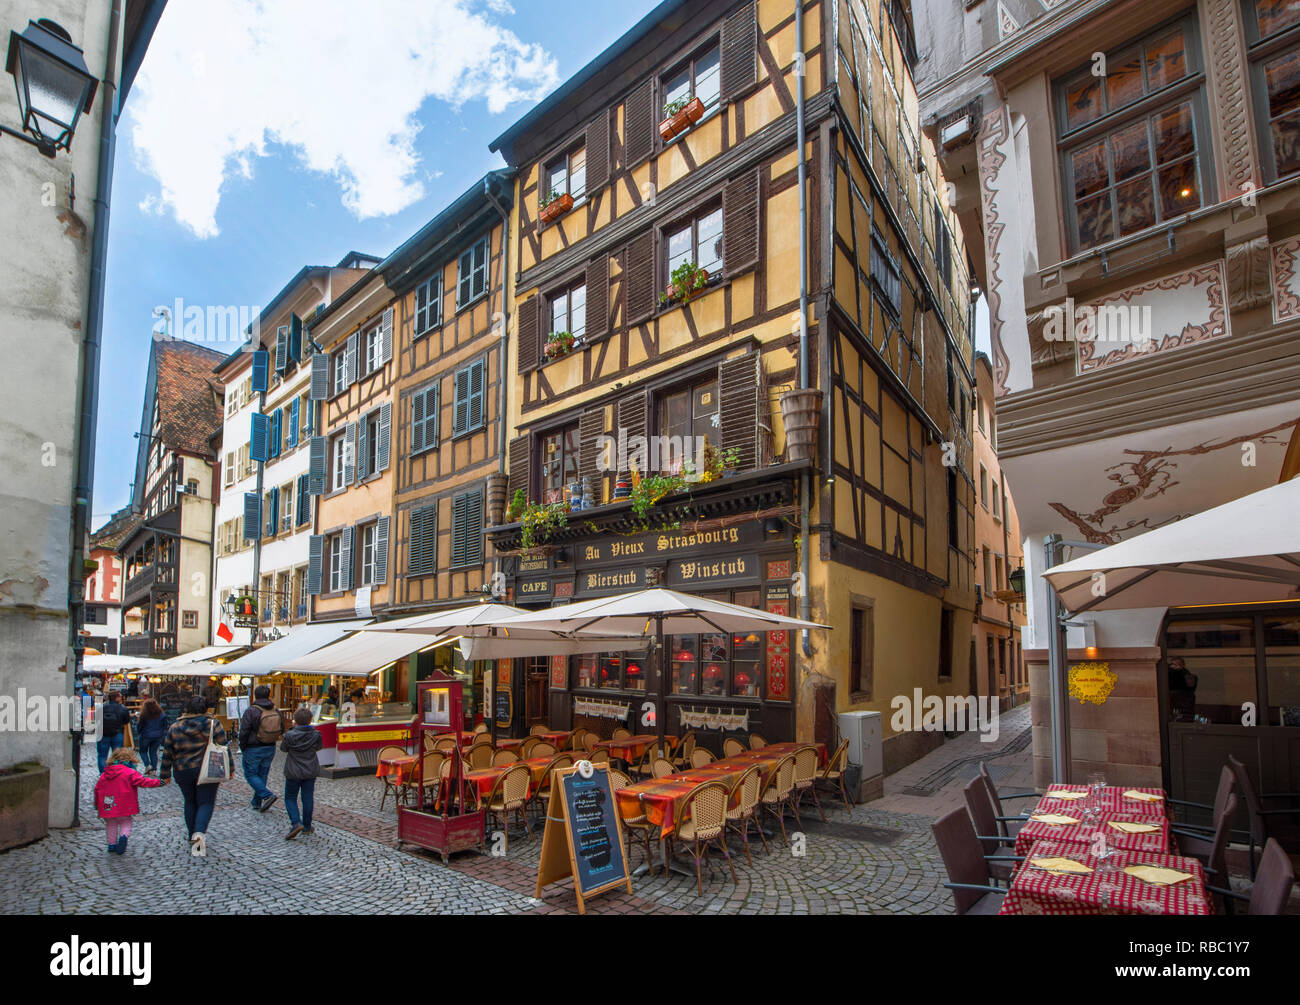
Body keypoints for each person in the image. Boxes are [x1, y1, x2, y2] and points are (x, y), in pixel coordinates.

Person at [161, 695, 227, 857]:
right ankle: (199, 833)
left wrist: (165, 774)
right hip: (208, 769)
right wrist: (229, 769)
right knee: (206, 802)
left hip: (183, 770)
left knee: (190, 801)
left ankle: (192, 834)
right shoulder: (213, 724)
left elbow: (168, 752)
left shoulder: (175, 726)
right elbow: (223, 747)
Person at [94, 747, 166, 854]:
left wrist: (97, 804)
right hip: (124, 805)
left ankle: (112, 845)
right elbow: (143, 781)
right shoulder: (130, 772)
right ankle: (123, 837)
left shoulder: (105, 774)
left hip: (108, 805)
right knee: (126, 821)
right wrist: (159, 782)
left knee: (111, 823)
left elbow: (97, 789)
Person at [280, 706, 323, 839]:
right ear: (310, 720)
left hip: (293, 770)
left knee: (290, 797)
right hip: (310, 769)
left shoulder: (289, 735)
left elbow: (283, 749)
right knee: (307, 797)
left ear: (295, 720)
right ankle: (307, 825)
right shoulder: (316, 734)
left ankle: (295, 822)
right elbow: (319, 747)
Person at [238, 685, 282, 812]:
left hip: (254, 746)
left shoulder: (252, 711)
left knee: (250, 774)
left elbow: (244, 731)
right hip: (270, 746)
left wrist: (243, 746)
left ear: (255, 695)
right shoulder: (275, 710)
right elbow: (282, 727)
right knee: (262, 773)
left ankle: (267, 795)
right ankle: (257, 801)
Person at [135, 698, 170, 776]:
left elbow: (139, 726)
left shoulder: (143, 715)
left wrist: (139, 733)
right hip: (158, 736)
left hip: (145, 735)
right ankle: (154, 769)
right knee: (153, 752)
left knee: (143, 751)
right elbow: (166, 725)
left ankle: (148, 765)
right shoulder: (162, 715)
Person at [97, 692, 130, 772]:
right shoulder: (122, 708)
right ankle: (116, 772)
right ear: (116, 698)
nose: (121, 698)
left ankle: (103, 773)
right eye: (120, 696)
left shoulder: (101, 707)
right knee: (118, 755)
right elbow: (126, 721)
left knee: (102, 755)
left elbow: (96, 719)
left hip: (103, 734)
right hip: (117, 733)